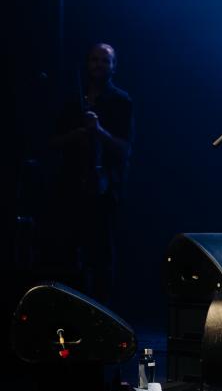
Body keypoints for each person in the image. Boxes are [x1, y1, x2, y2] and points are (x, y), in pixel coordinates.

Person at [49, 43, 134, 304]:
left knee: (101, 256)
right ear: (87, 64)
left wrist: (98, 131)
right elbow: (52, 142)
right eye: (95, 60)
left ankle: (101, 310)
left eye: (105, 61)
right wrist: (75, 135)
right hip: (69, 185)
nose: (99, 65)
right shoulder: (72, 99)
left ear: (114, 66)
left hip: (104, 188)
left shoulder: (121, 101)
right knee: (66, 251)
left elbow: (124, 149)